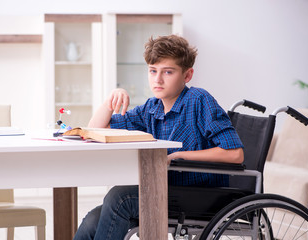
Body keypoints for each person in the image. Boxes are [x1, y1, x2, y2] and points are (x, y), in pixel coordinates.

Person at [73, 34, 244, 240]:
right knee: (93, 218)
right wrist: (111, 99)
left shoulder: (199, 100)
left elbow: (235, 154)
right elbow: (96, 129)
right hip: (166, 188)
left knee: (120, 197)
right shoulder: (152, 108)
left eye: (168, 72)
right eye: (153, 71)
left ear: (187, 75)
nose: (158, 79)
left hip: (200, 194)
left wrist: (182, 155)